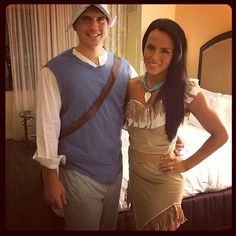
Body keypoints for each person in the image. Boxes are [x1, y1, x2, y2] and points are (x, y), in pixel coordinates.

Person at [33, 4, 138, 230]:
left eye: (101, 19)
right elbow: (47, 127)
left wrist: (169, 138)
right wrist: (51, 179)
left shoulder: (125, 69)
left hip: (115, 169)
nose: (94, 26)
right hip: (78, 172)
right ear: (75, 24)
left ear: (108, 24)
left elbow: (138, 114)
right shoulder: (53, 71)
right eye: (86, 19)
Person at [123, 18, 228, 231]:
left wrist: (186, 164)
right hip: (136, 174)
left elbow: (221, 135)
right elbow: (135, 125)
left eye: (165, 51)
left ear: (176, 55)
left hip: (164, 181)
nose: (154, 56)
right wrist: (172, 135)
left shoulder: (186, 90)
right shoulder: (131, 85)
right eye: (150, 47)